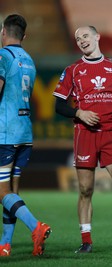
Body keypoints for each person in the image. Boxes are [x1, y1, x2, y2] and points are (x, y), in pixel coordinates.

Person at [53, 25, 112, 254]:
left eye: (85, 36)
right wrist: (79, 113)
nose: (81, 40)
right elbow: (59, 105)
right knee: (85, 190)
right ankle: (86, 241)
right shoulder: (73, 70)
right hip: (85, 136)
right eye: (77, 38)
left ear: (97, 37)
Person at [0, 14, 51, 257]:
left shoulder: (3, 56)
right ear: (24, 36)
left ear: (3, 32)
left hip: (5, 133)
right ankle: (5, 245)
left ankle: (36, 226)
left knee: (2, 192)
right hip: (25, 132)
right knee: (12, 192)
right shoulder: (29, 60)